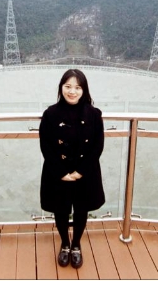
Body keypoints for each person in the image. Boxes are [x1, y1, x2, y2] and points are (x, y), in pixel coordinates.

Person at [39, 69, 105, 269]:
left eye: (77, 87)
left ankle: (76, 244)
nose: (72, 91)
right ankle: (64, 244)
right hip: (58, 171)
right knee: (60, 210)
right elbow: (45, 146)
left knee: (81, 210)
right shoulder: (50, 114)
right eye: (68, 86)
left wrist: (80, 171)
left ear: (84, 90)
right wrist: (61, 172)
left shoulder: (94, 114)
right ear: (61, 88)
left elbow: (98, 146)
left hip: (85, 171)